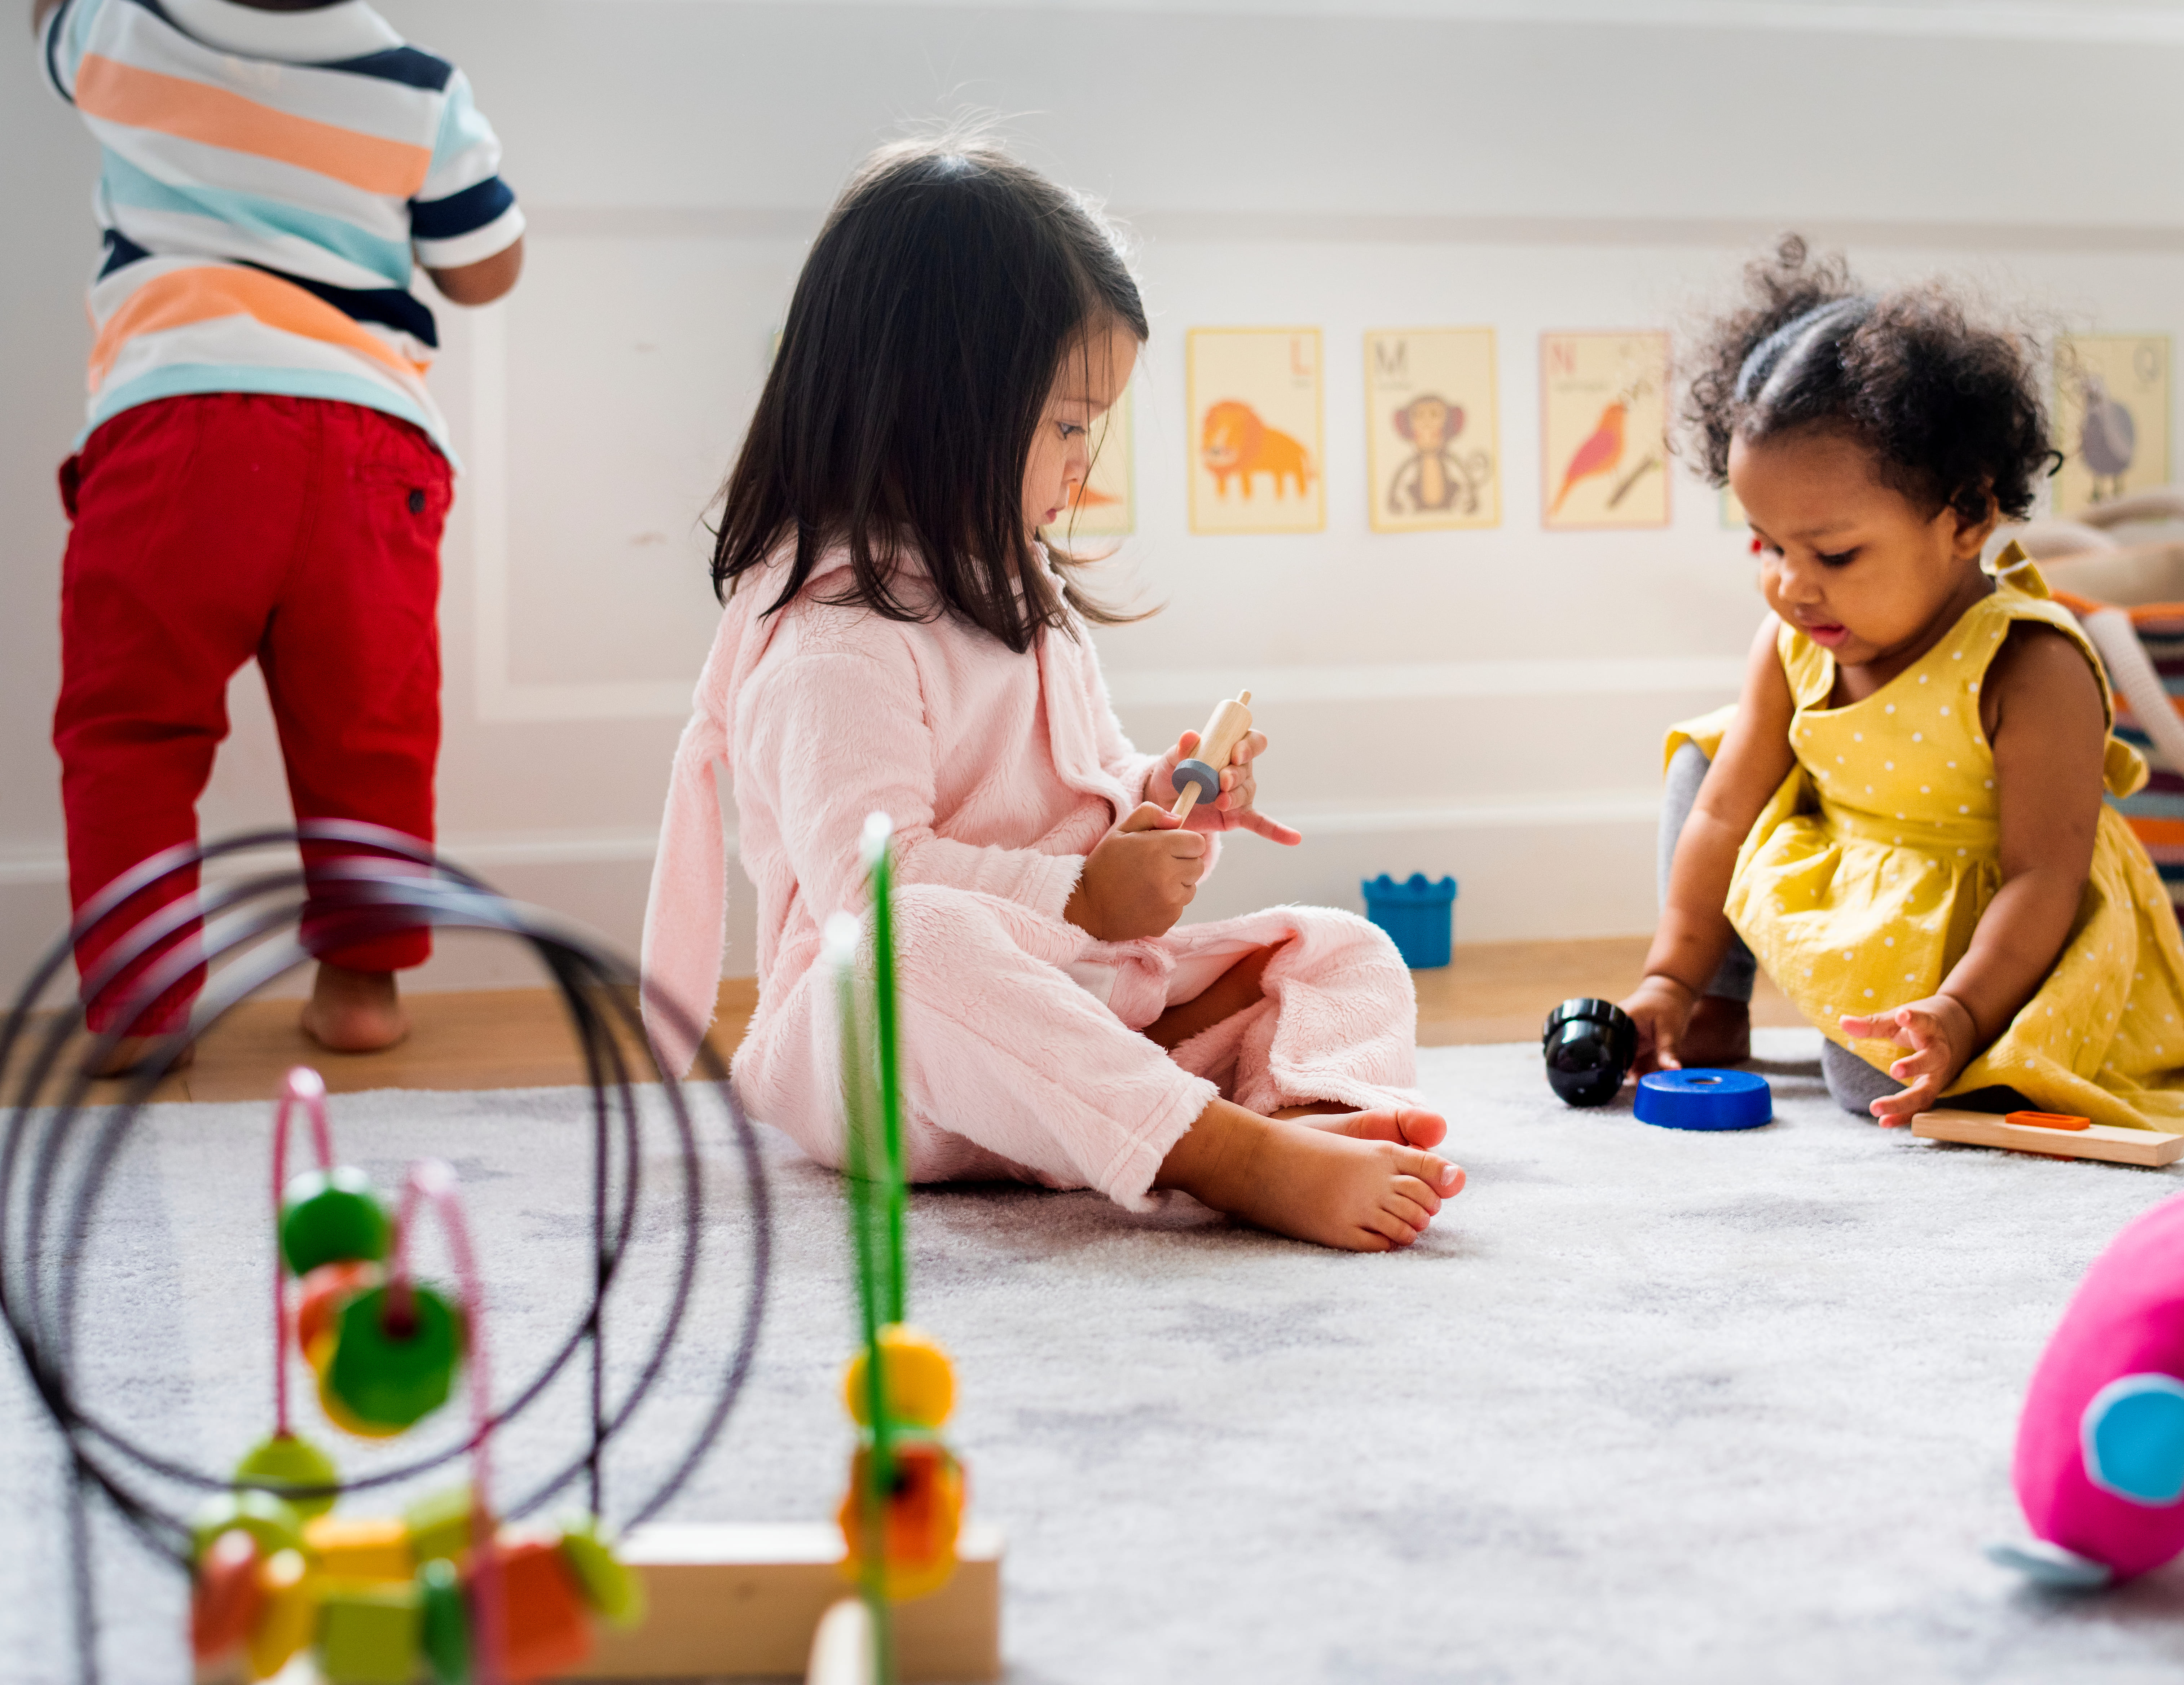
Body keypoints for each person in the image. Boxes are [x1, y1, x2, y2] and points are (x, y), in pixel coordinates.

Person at [641, 137, 1465, 1252]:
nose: (1084, 464)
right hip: (896, 1064)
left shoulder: (1018, 595)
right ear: (940, 407)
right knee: (908, 944)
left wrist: (1169, 803)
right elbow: (867, 895)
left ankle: (1311, 1106)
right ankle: (1230, 1154)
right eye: (1068, 425)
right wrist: (1080, 898)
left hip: (1072, 1014)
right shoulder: (832, 639)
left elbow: (1081, 797)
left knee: (1334, 948)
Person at [1618, 238, 2184, 1135]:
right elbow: (1725, 816)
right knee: (1703, 762)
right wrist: (1667, 975)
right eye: (1767, 545)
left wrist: (1959, 1012)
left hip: (1989, 925)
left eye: (1834, 554)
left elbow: (2044, 877)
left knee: (1867, 1084)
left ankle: (1937, 1026)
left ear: (1965, 515)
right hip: (1852, 870)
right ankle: (1709, 1007)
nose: (1790, 585)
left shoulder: (2030, 666)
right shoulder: (1791, 639)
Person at [35, 0, 524, 1070]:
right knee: (371, 733)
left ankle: (136, 1002)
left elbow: (46, 22)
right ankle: (362, 988)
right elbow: (487, 268)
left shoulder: (120, 30)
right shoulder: (416, 86)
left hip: (171, 426)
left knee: (131, 733)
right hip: (368, 442)